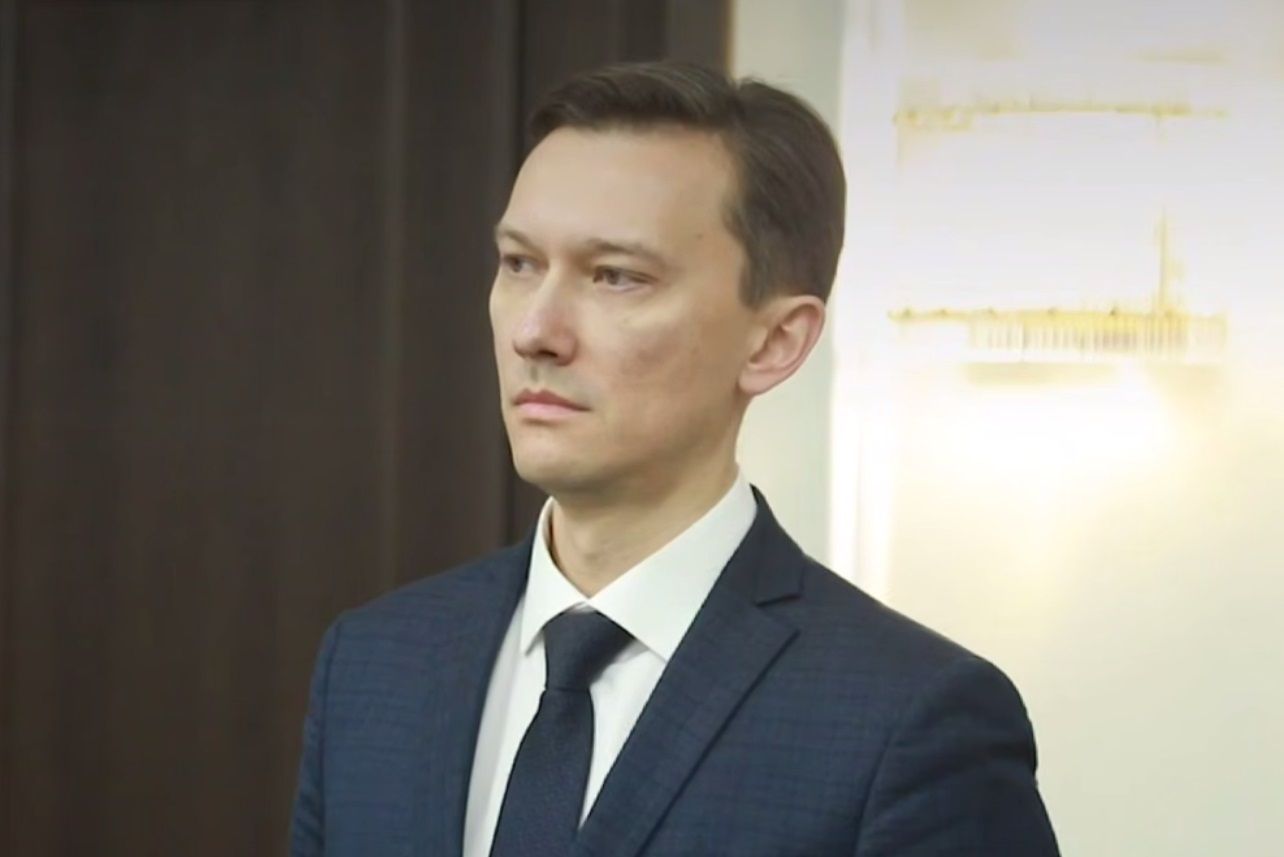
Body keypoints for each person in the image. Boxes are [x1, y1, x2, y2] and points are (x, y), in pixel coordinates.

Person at [289, 60, 1059, 857]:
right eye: (519, 263)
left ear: (774, 341)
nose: (534, 331)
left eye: (616, 277)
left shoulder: (910, 720)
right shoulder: (374, 665)